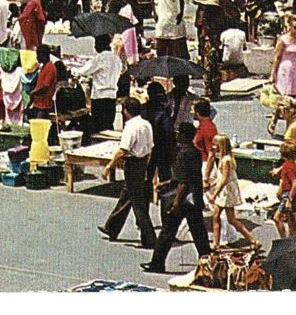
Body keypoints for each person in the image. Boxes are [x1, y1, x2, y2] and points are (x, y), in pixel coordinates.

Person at [140, 122, 212, 273]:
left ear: (182, 135)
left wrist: (176, 203)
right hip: (195, 198)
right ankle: (209, 262)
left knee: (167, 232)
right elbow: (187, 176)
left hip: (184, 200)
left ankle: (157, 263)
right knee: (199, 233)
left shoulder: (182, 154)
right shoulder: (195, 152)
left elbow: (183, 183)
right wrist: (167, 183)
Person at [99, 98, 157, 249]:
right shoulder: (146, 124)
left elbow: (122, 150)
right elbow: (150, 149)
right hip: (143, 161)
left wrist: (108, 167)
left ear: (125, 111)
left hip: (133, 163)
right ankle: (112, 226)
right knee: (128, 195)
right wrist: (145, 168)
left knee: (137, 202)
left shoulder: (131, 127)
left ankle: (150, 237)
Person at [207, 134, 261, 248]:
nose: (213, 146)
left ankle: (251, 240)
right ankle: (216, 243)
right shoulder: (224, 158)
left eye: (215, 144)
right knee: (218, 216)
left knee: (229, 219)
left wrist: (214, 194)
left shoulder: (226, 160)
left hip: (226, 192)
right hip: (225, 191)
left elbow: (224, 179)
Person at [75, 35, 124, 140]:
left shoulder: (100, 58)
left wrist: (73, 70)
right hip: (111, 97)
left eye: (96, 44)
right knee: (108, 127)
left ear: (101, 45)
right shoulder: (116, 59)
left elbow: (85, 70)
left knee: (98, 128)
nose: (94, 47)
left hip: (99, 97)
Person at [268, 14, 296, 129]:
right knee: (284, 99)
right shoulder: (283, 39)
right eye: (295, 27)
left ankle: (289, 127)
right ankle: (274, 119)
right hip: (284, 70)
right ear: (289, 26)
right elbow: (277, 57)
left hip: (295, 70)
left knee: (293, 99)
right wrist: (273, 74)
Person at [272, 141, 296, 237]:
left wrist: (289, 199)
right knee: (294, 217)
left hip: (288, 195)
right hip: (292, 194)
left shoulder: (287, 166)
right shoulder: (292, 165)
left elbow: (294, 183)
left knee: (277, 218)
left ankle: (283, 239)